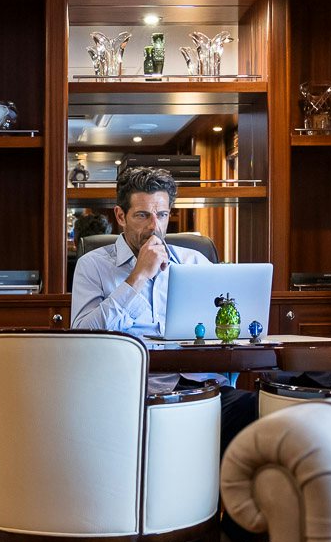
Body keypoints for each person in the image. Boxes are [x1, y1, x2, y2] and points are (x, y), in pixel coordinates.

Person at [70, 166, 257, 453]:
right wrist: (138, 276)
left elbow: (230, 331)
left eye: (161, 215)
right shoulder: (93, 265)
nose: (154, 226)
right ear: (121, 216)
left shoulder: (194, 262)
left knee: (259, 409)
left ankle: (226, 498)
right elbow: (83, 337)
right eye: (142, 215)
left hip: (202, 389)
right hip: (134, 394)